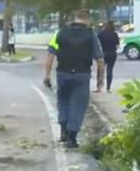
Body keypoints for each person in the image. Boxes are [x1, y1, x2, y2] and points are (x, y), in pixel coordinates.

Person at [43, 9, 105, 148]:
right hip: (82, 75)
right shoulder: (91, 35)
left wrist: (47, 76)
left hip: (63, 74)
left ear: (74, 19)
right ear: (87, 20)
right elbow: (100, 60)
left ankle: (64, 130)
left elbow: (50, 56)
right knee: (78, 104)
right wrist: (100, 79)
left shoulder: (60, 33)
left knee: (63, 101)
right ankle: (72, 137)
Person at [97, 21, 120, 92]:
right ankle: (108, 88)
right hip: (112, 54)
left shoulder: (101, 34)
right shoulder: (114, 34)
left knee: (100, 71)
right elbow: (117, 45)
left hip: (103, 54)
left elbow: (98, 44)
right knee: (109, 70)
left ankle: (99, 87)